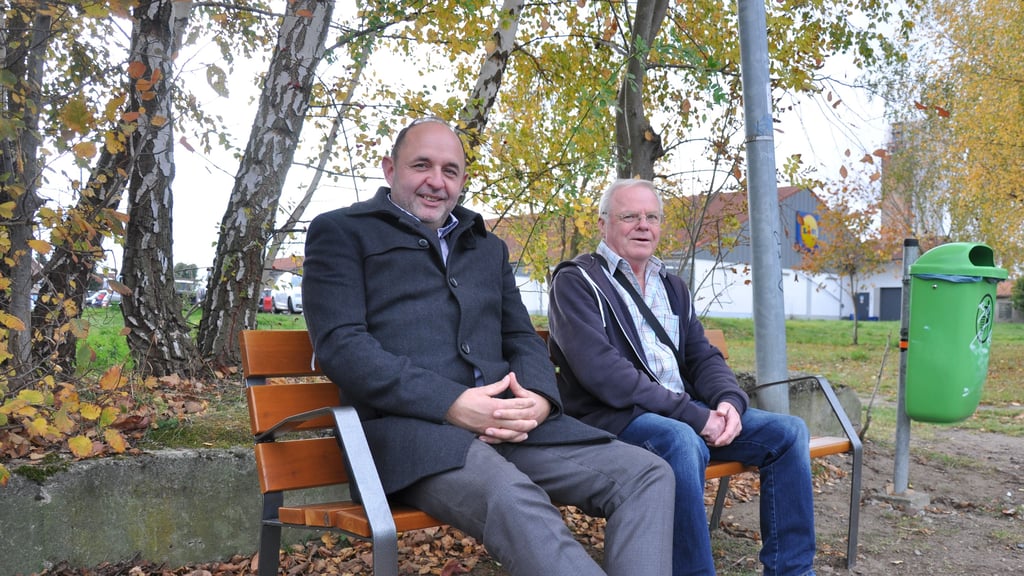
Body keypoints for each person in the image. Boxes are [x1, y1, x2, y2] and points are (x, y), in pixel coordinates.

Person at [302, 118, 674, 576]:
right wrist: (451, 404)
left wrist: (538, 399)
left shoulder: (486, 246)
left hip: (511, 428)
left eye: (451, 170)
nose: (437, 181)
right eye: (422, 165)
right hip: (411, 438)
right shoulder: (342, 232)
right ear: (389, 169)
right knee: (515, 497)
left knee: (647, 474)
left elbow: (520, 336)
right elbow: (342, 346)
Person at [547, 178, 817, 576]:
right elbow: (603, 374)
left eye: (651, 217)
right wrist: (695, 416)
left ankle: (792, 572)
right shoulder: (576, 281)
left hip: (684, 414)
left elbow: (701, 355)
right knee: (680, 440)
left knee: (789, 433)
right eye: (630, 216)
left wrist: (728, 402)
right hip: (615, 418)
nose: (643, 225)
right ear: (603, 224)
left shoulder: (671, 285)